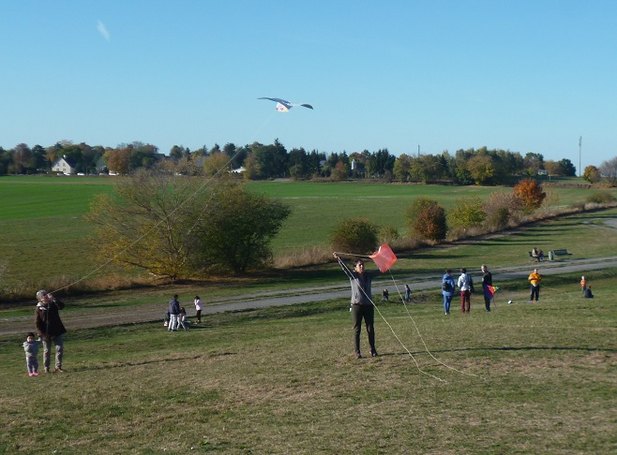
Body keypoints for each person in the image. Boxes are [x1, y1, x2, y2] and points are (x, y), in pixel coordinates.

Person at [333, 253, 379, 359]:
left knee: (370, 328)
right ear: (355, 268)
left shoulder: (368, 276)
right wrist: (339, 259)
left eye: (363, 265)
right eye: (359, 265)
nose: (362, 266)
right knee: (357, 329)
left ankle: (373, 350)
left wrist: (386, 262)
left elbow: (380, 270)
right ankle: (357, 352)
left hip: (368, 305)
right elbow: (345, 269)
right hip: (356, 306)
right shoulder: (353, 276)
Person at [35, 290, 66, 373]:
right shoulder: (39, 308)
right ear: (40, 299)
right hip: (46, 333)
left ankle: (58, 367)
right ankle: (46, 368)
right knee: (47, 351)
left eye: (46, 295)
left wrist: (54, 299)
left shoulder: (53, 304)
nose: (46, 296)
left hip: (57, 330)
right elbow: (37, 322)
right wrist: (41, 333)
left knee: (59, 348)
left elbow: (61, 306)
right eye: (43, 296)